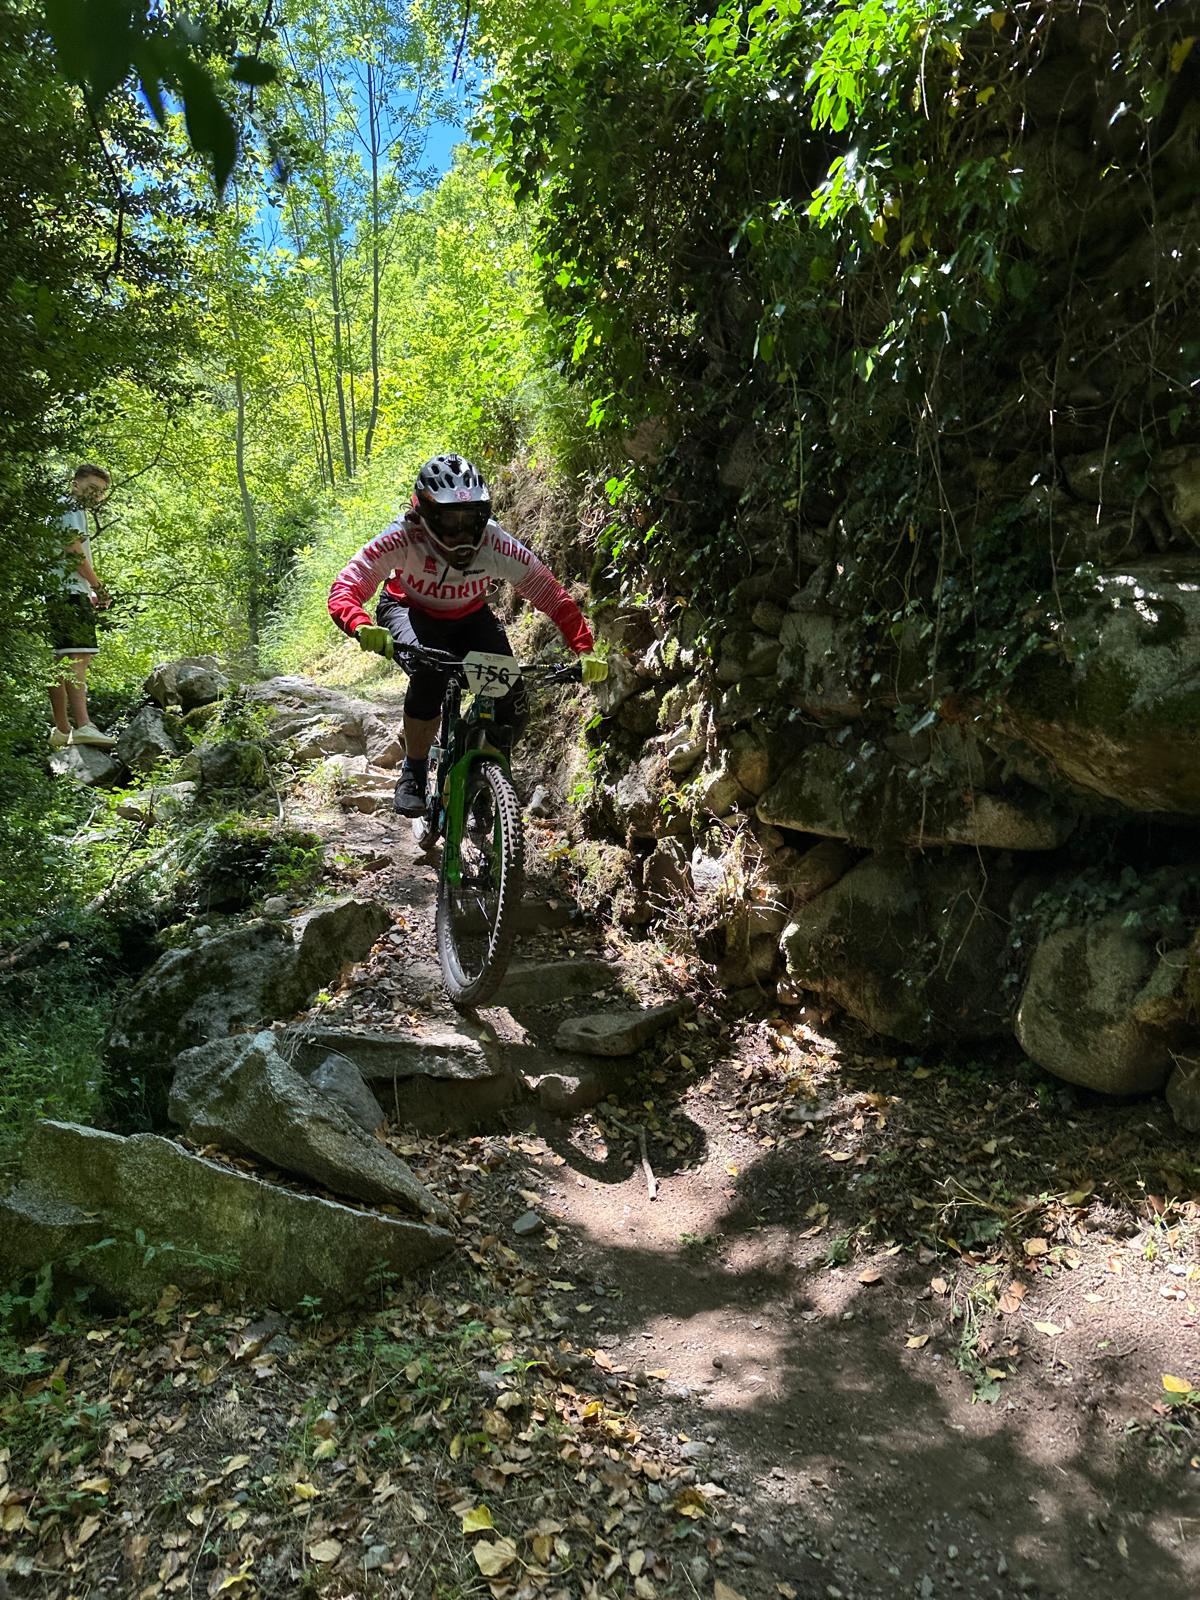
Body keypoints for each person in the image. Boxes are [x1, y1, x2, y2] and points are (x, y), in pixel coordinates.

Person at [329, 454, 604, 816]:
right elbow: (346, 587)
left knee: (514, 701)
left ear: (484, 514)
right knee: (431, 675)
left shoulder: (495, 543)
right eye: (448, 520)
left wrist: (584, 647)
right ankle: (412, 770)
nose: (460, 532)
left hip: (471, 616)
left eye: (470, 519)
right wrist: (361, 625)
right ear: (425, 514)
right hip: (409, 610)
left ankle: (480, 775)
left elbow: (550, 594)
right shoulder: (404, 536)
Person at [47, 463, 116, 750]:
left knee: (61, 661)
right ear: (75, 484)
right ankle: (84, 726)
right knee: (78, 659)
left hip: (57, 590)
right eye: (90, 489)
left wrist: (84, 588)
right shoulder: (70, 507)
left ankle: (62, 731)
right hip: (67, 592)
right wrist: (98, 587)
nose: (94, 496)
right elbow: (73, 548)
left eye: (99, 493)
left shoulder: (61, 507)